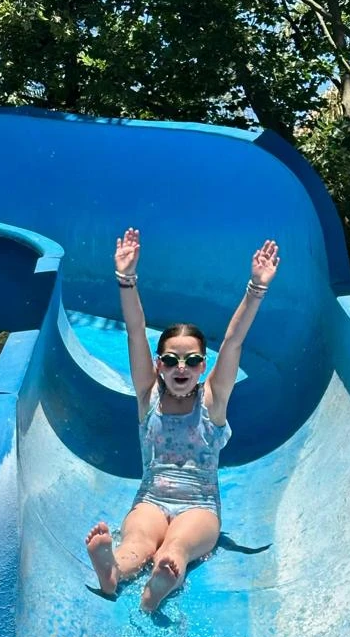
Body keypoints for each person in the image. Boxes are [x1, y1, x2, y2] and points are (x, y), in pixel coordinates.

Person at [85, 227, 280, 614]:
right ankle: (114, 570)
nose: (181, 367)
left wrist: (255, 288)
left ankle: (161, 581)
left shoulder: (213, 401)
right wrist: (126, 279)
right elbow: (136, 332)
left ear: (202, 368)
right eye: (171, 360)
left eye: (191, 361)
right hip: (151, 499)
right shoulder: (148, 396)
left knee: (177, 547)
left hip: (200, 507)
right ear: (158, 365)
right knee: (137, 541)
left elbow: (233, 342)